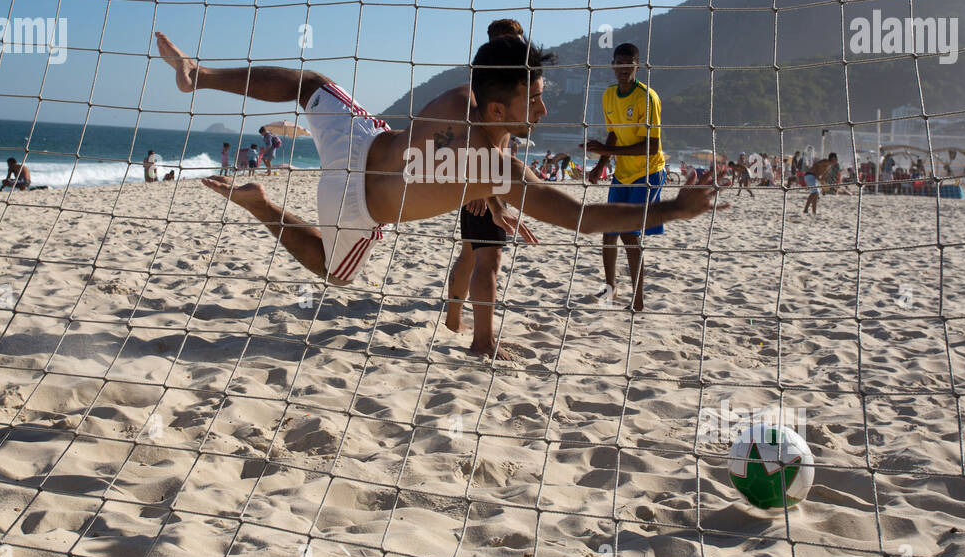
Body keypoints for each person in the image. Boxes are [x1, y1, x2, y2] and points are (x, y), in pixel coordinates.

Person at [154, 31, 725, 296]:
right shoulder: (498, 167)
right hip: (356, 206)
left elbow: (436, 157)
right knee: (332, 272)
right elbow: (582, 220)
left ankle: (197, 74)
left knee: (310, 84)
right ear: (501, 106)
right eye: (535, 99)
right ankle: (265, 208)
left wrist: (479, 192)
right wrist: (672, 209)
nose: (545, 108)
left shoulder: (457, 100)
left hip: (360, 140)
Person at [446, 19, 536, 358]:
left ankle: (454, 322)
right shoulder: (487, 86)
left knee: (470, 254)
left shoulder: (493, 82)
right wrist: (490, 197)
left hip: (479, 179)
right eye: (508, 42)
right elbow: (477, 144)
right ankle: (482, 343)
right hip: (482, 181)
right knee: (490, 260)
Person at [580, 42, 667, 311]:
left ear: (637, 66)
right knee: (609, 231)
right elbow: (614, 133)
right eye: (619, 64)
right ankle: (611, 289)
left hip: (648, 172)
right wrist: (600, 165)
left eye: (629, 65)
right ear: (613, 65)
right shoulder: (608, 95)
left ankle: (638, 300)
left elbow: (651, 145)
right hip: (623, 173)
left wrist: (607, 150)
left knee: (629, 234)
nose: (624, 69)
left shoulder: (647, 97)